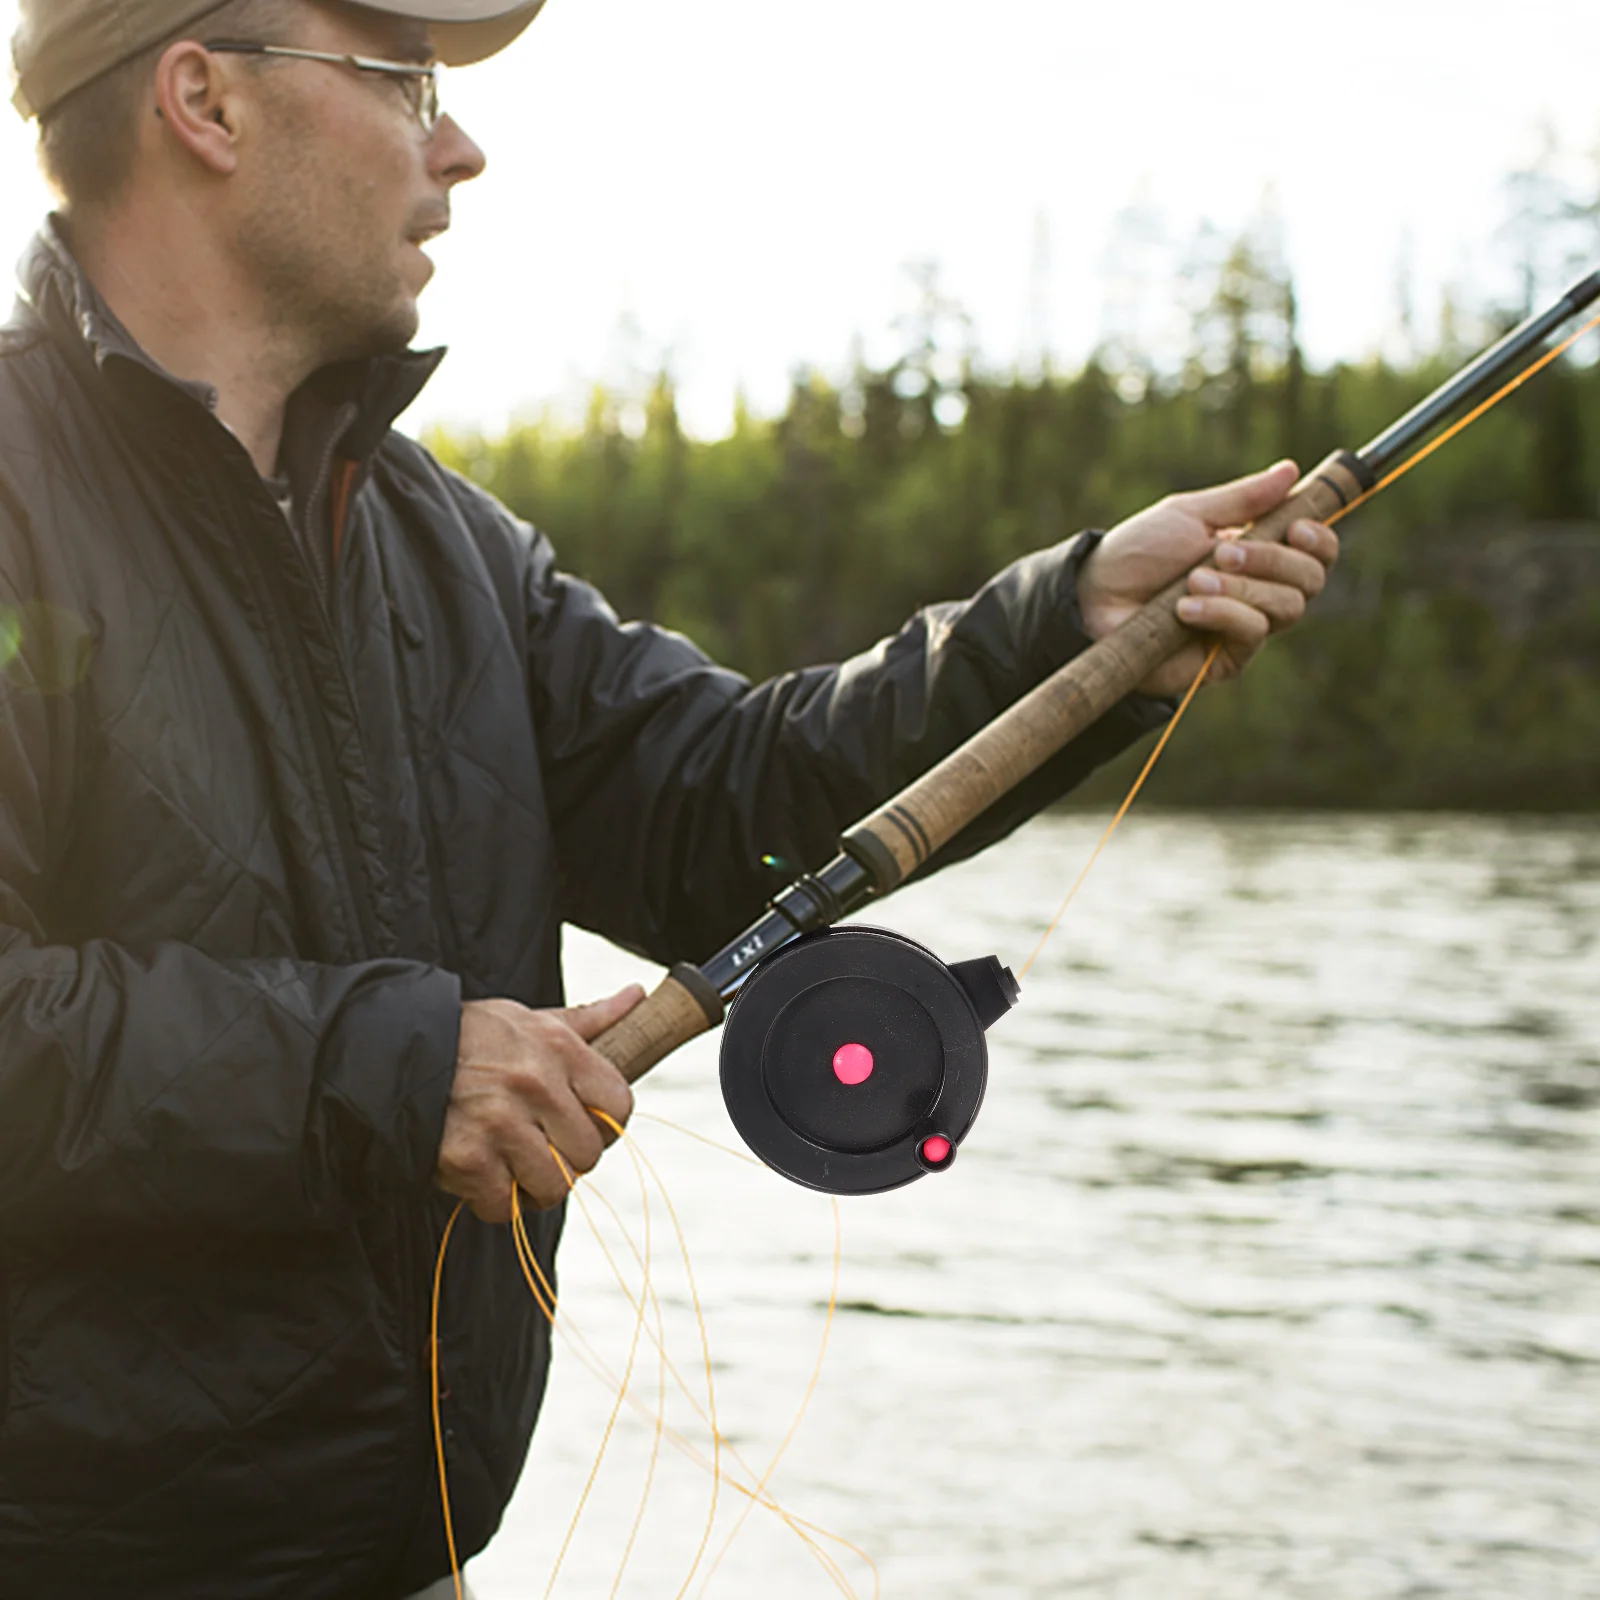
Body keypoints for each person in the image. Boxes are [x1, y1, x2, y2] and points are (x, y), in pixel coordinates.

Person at [0, 2, 1340, 1595]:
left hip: (398, 1558)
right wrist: (379, 1067)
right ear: (204, 99)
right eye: (405, 84)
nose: (459, 148)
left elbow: (735, 805)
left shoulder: (446, 549)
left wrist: (1064, 633)